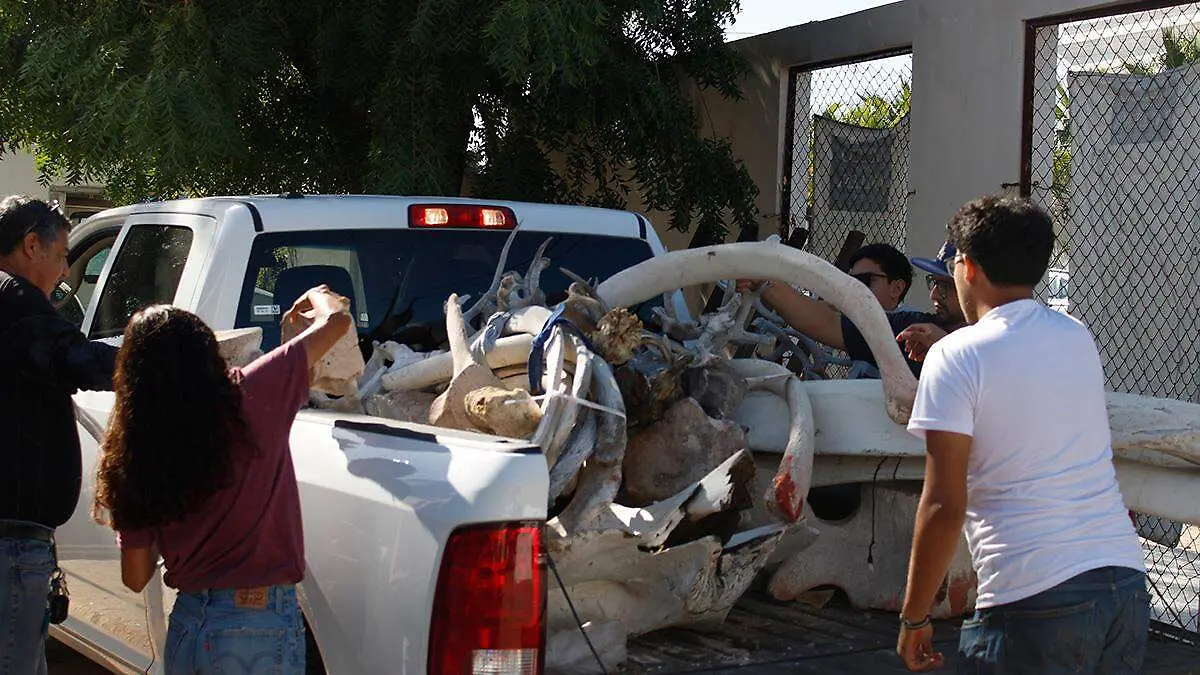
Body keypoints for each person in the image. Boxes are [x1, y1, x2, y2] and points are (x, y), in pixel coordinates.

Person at [896, 196, 1148, 673]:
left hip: (1032, 597)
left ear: (966, 267)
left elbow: (943, 503)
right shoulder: (1075, 335)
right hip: (1123, 584)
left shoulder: (955, 355)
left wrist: (914, 617)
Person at [94, 287, 351, 673]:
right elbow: (338, 323)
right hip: (259, 625)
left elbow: (135, 576)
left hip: (190, 626)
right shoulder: (250, 392)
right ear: (207, 353)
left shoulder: (137, 449)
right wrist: (318, 296)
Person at [0, 195, 117, 674]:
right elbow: (79, 360)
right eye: (63, 255)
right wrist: (161, 357)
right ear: (32, 245)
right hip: (11, 540)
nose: (66, 272)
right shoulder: (18, 304)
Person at [738, 242, 965, 377]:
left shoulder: (993, 346)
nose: (934, 294)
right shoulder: (911, 330)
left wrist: (945, 351)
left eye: (945, 285)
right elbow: (825, 322)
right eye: (933, 283)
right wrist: (766, 280)